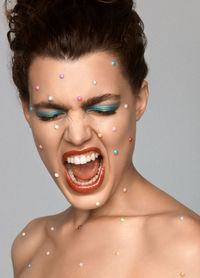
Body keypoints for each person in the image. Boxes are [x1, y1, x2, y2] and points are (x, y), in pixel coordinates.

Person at [5, 0, 200, 277]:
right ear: (28, 111)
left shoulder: (190, 250)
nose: (77, 135)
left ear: (139, 101)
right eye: (51, 114)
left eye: (102, 109)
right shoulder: (30, 245)